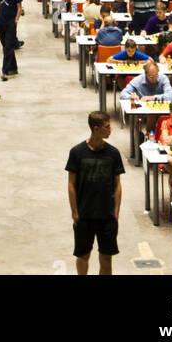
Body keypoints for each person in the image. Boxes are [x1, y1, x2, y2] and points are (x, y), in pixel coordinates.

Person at [66, 112, 125, 276]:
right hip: (84, 215)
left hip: (107, 215)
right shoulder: (77, 153)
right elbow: (71, 184)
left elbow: (117, 185)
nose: (110, 130)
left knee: (106, 258)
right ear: (96, 129)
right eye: (107, 127)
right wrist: (75, 212)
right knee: (83, 255)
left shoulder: (113, 153)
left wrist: (116, 213)